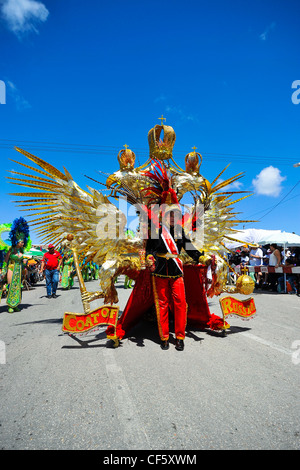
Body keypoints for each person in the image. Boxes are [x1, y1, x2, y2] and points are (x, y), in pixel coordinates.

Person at [146, 207, 202, 351]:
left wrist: (201, 257)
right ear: (163, 217)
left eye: (175, 216)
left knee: (180, 304)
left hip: (176, 271)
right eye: (170, 216)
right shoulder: (156, 232)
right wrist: (149, 257)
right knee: (162, 304)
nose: (172, 218)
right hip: (159, 271)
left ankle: (180, 337)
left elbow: (189, 247)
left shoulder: (179, 232)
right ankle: (164, 337)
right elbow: (149, 249)